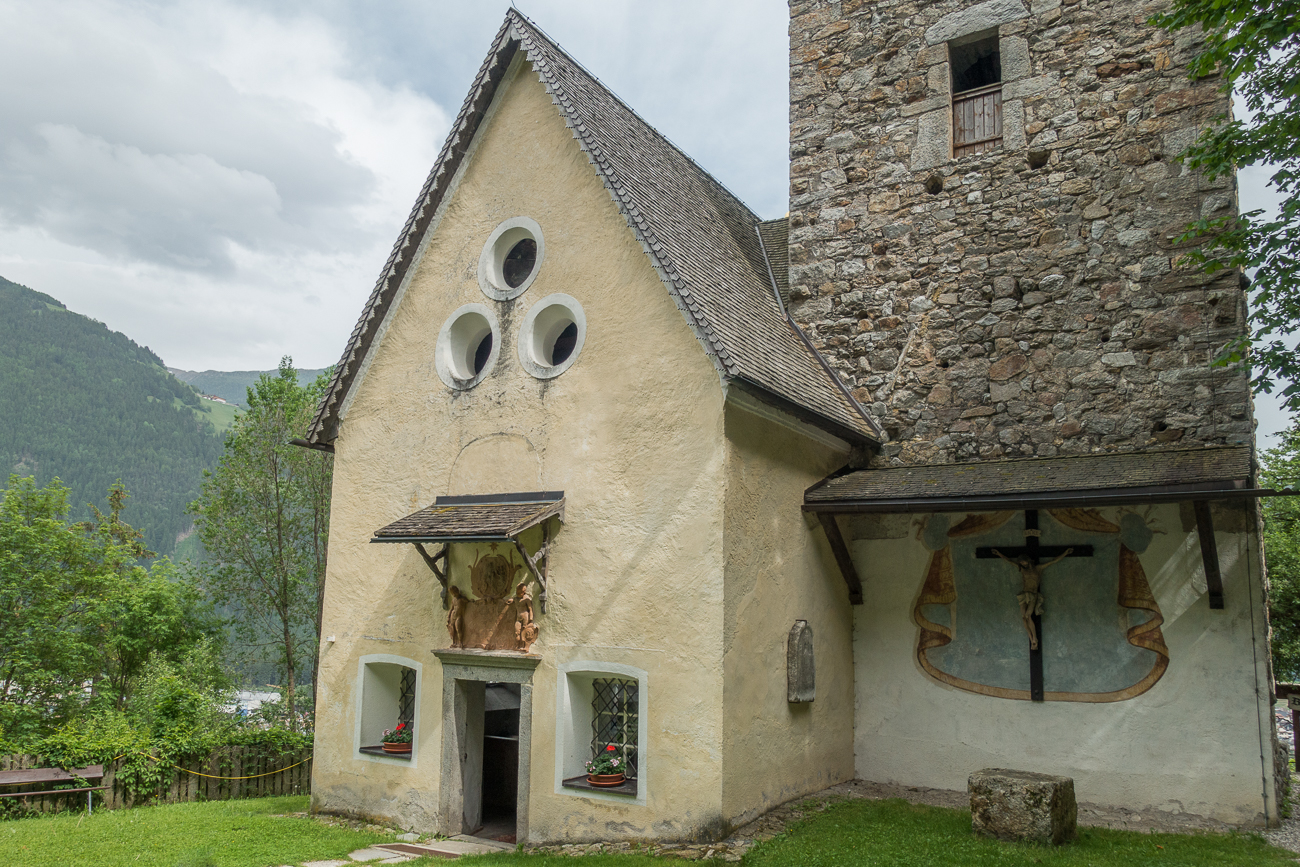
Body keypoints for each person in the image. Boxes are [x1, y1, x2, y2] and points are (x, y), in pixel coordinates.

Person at [991, 548, 1073, 650]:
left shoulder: (1038, 568)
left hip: (1033, 595)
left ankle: (1035, 639)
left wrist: (1065, 552)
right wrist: (999, 553)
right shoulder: (1022, 569)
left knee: (1028, 615)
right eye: (1021, 562)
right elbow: (1009, 561)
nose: (1022, 563)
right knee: (1023, 618)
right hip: (1023, 595)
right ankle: (1031, 639)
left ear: (1028, 560)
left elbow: (1054, 561)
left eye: (1023, 561)